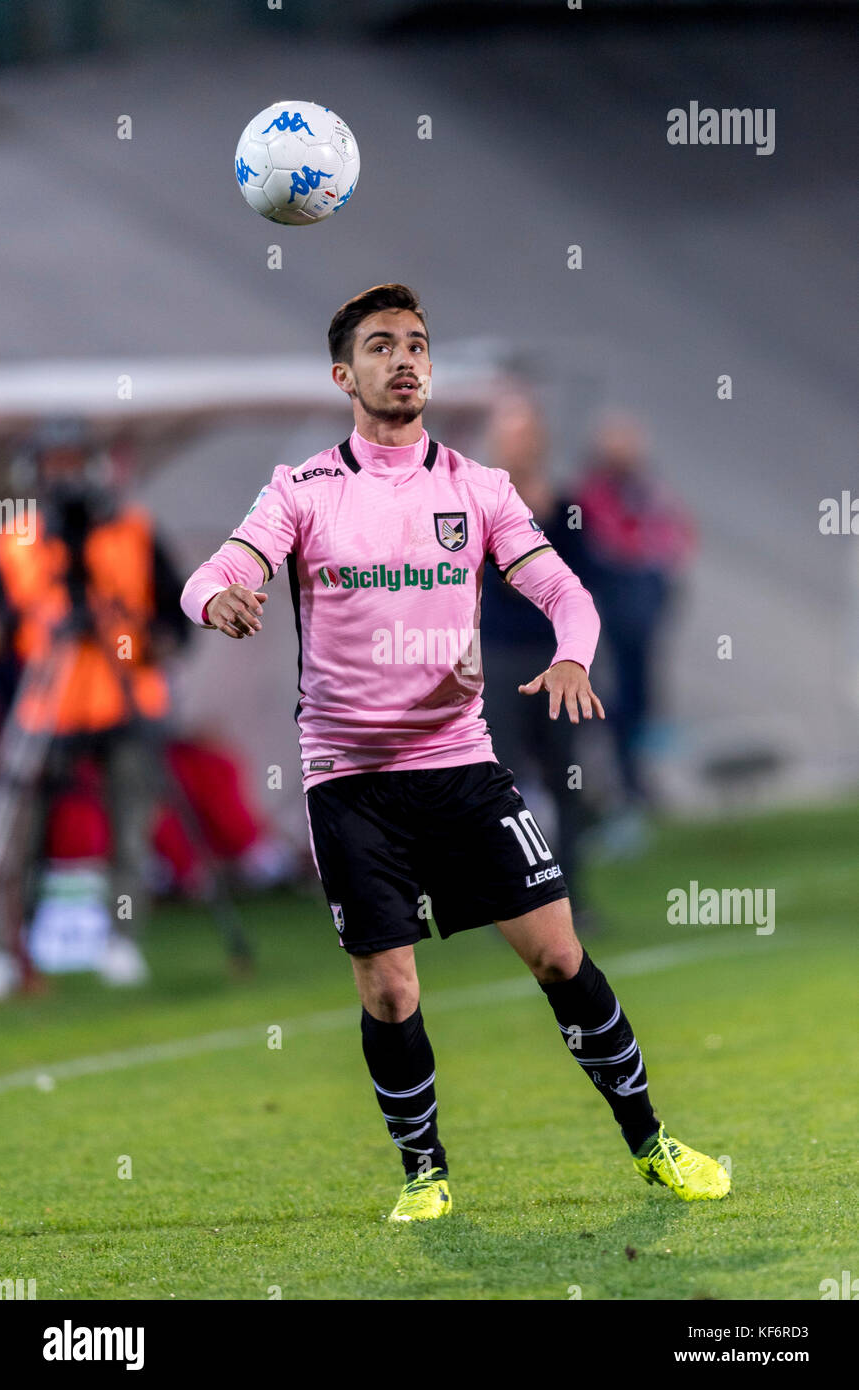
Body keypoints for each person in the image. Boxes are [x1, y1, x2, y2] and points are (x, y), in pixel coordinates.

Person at [181, 284, 729, 1220]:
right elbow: (217, 570)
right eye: (382, 345)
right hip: (350, 784)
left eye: (418, 344)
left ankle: (652, 1144)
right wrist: (217, 600)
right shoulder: (302, 490)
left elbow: (569, 595)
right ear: (343, 374)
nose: (405, 359)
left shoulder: (477, 488)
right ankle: (425, 1177)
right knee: (391, 991)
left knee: (561, 957)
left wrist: (570, 656)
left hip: (462, 770)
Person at [0, 419, 190, 989]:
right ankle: (8, 953)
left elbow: (176, 622)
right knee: (15, 831)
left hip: (122, 702)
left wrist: (145, 638)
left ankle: (122, 944)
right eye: (54, 464)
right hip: (45, 704)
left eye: (74, 462)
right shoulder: (16, 539)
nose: (66, 476)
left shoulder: (133, 530)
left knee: (130, 826)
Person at [479, 390, 591, 919]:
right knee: (500, 781)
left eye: (525, 434)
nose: (518, 445)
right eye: (509, 434)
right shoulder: (481, 506)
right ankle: (508, 898)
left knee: (567, 775)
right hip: (500, 661)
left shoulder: (566, 508)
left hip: (556, 659)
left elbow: (581, 583)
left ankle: (572, 895)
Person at [571, 415, 696, 815]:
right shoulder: (590, 499)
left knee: (638, 700)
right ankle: (612, 785)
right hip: (606, 624)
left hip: (640, 622)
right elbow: (604, 551)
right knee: (607, 702)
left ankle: (634, 781)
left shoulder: (646, 492)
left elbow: (677, 534)